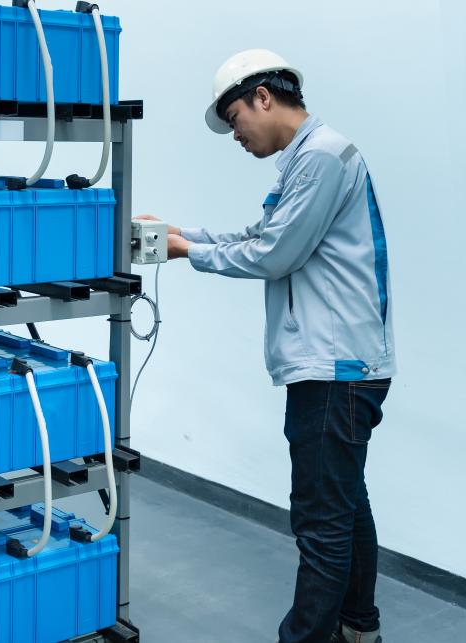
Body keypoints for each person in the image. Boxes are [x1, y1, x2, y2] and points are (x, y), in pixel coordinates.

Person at [139, 49, 396, 643]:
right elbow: (262, 235)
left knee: (321, 520)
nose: (236, 135)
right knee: (345, 506)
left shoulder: (324, 158)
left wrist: (186, 253)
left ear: (262, 97)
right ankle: (361, 627)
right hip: (344, 365)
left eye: (234, 119)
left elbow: (273, 255)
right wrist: (179, 234)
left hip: (336, 370)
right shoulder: (307, 160)